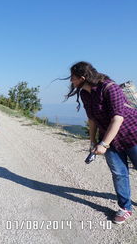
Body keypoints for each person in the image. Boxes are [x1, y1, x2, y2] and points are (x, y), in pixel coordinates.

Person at [66, 61, 137, 224]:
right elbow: (92, 119)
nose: (71, 81)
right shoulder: (84, 93)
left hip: (132, 135)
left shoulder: (110, 87)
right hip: (108, 137)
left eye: (73, 78)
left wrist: (103, 144)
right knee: (119, 174)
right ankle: (125, 208)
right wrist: (92, 142)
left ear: (83, 77)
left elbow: (118, 118)